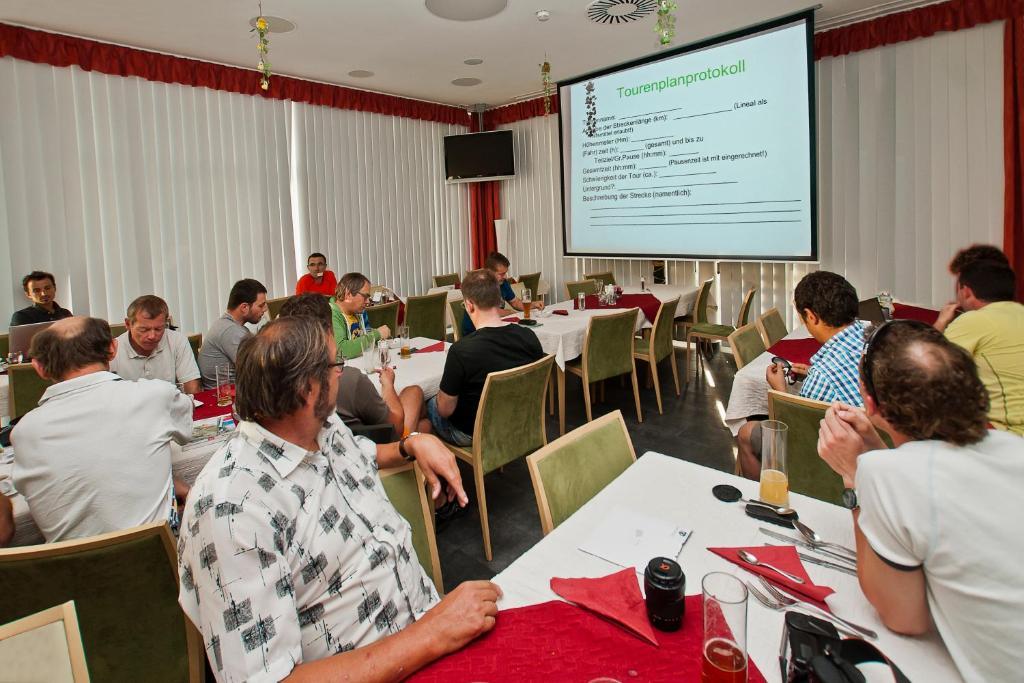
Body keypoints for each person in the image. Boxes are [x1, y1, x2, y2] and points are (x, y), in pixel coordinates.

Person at [177, 316, 499, 681]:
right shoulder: (232, 510)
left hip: (427, 633)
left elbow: (364, 455)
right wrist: (432, 634)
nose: (342, 373)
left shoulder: (322, 429)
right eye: (336, 365)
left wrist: (411, 444)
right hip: (402, 657)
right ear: (306, 389)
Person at [816, 320, 1024, 682]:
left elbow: (903, 617)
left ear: (870, 403)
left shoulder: (890, 476)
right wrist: (876, 457)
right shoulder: (1013, 448)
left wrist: (854, 475)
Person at [10, 317, 192, 542]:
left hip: (68, 572)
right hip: (164, 562)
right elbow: (185, 432)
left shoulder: (24, 432)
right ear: (113, 349)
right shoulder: (156, 396)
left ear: (38, 368)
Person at [737, 271, 866, 478]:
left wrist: (781, 390)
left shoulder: (823, 376)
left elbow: (799, 432)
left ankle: (767, 499)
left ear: (812, 316)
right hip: (871, 448)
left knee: (746, 433)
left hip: (835, 460)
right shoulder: (872, 339)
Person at [279, 293, 425, 438]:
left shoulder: (275, 379)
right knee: (415, 393)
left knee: (424, 424)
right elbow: (396, 427)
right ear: (328, 332)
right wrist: (388, 385)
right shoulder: (346, 379)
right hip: (370, 447)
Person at [428, 269, 544, 446]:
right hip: (519, 421)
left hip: (473, 433)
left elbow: (445, 410)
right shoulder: (529, 336)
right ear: (499, 300)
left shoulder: (461, 351)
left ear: (469, 305)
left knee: (423, 403)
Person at [933, 259, 1024, 435]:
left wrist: (941, 321)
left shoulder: (974, 320)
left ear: (966, 291)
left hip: (1009, 435)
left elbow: (925, 366)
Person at [110, 295, 201, 394]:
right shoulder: (112, 350)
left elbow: (192, 389)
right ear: (128, 324)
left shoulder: (177, 340)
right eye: (144, 329)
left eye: (158, 329)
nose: (152, 336)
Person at [198, 278, 268, 389]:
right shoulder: (231, 331)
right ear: (244, 307)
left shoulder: (226, 325)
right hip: (226, 399)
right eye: (261, 305)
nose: (265, 309)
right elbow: (259, 370)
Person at [462, 252, 544, 336]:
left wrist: (533, 304)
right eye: (501, 274)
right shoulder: (481, 286)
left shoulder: (503, 283)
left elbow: (515, 302)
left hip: (493, 329)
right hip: (475, 333)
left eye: (505, 273)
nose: (505, 277)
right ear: (489, 272)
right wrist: (510, 312)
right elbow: (489, 311)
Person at [330, 272, 391, 360]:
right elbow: (341, 350)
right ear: (348, 294)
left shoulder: (358, 311)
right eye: (365, 297)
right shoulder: (330, 314)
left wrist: (378, 336)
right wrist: (377, 334)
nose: (368, 302)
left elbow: (364, 334)